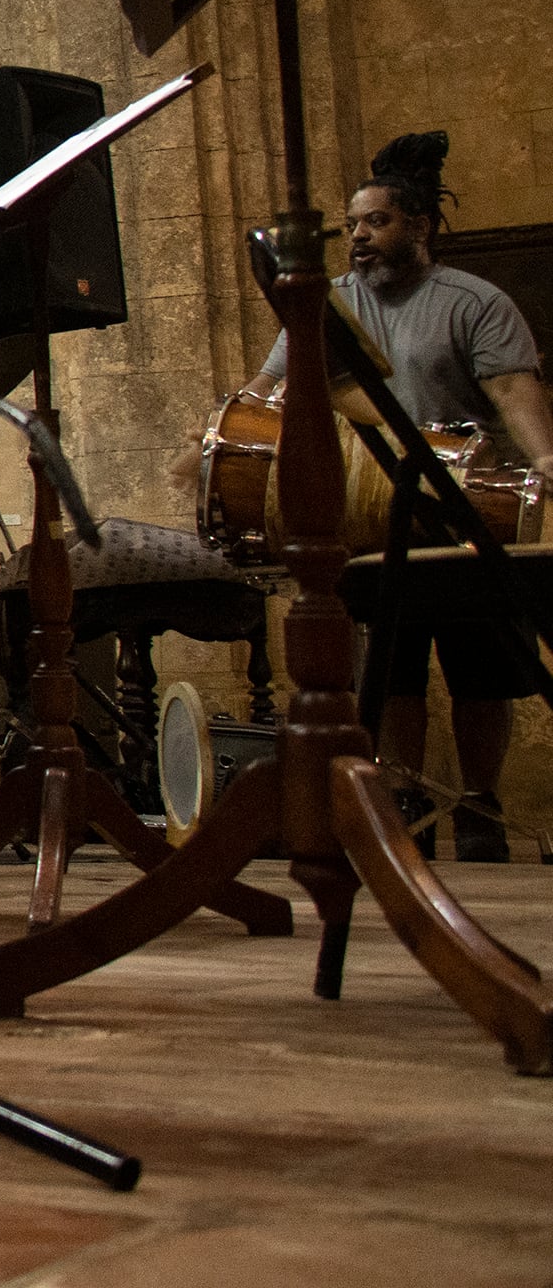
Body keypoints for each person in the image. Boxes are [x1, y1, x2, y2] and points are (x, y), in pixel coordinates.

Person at [251, 131, 553, 862]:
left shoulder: (473, 302)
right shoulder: (327, 306)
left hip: (462, 509)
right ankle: (407, 794)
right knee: (394, 669)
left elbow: (513, 391)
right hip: (369, 518)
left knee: (481, 670)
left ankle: (479, 804)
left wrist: (546, 458)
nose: (358, 237)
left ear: (418, 227)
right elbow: (267, 393)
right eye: (352, 224)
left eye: (376, 222)